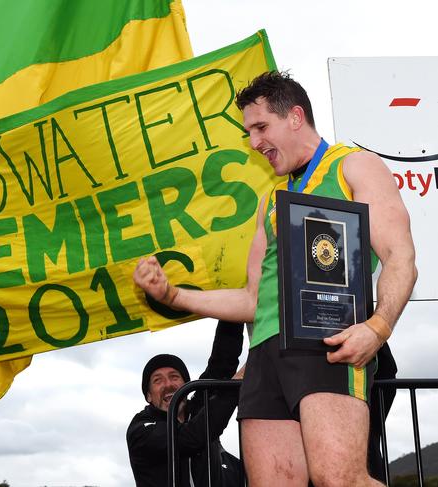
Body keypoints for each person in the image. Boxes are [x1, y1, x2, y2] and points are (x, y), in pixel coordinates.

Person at [133, 71, 416, 487]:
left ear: (296, 117)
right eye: (249, 131)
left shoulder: (353, 165)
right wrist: (174, 294)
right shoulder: (271, 200)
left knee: (339, 478)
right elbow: (252, 299)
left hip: (326, 341)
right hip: (264, 355)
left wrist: (378, 327)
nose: (253, 142)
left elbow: (401, 256)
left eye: (261, 127)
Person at [126, 320, 244, 487]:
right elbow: (189, 437)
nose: (168, 385)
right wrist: (237, 385)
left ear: (186, 386)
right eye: (158, 380)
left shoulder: (195, 410)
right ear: (148, 396)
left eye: (174, 377)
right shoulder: (141, 429)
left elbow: (221, 365)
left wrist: (233, 312)